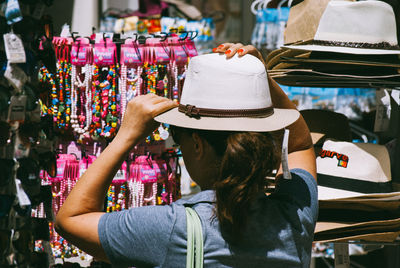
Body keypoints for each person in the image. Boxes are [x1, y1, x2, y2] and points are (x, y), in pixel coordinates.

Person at [55, 43, 317, 267]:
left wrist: (126, 136)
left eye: (177, 138)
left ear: (198, 145)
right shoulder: (294, 217)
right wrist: (258, 79)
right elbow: (300, 145)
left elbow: (71, 219)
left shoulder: (171, 228)